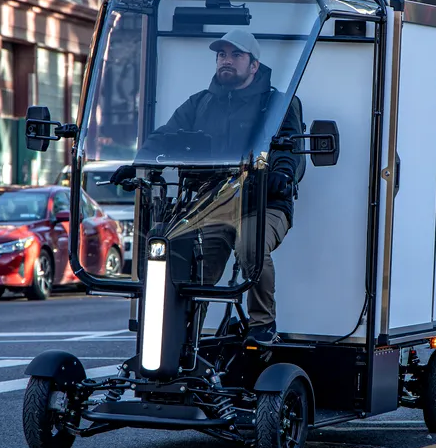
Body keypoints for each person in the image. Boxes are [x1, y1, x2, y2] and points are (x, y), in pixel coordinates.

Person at [110, 30, 304, 345]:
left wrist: (284, 173)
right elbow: (165, 135)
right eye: (221, 55)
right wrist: (138, 164)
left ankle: (262, 326)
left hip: (264, 203)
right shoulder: (201, 103)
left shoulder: (277, 103)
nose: (226, 61)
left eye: (235, 55)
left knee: (249, 247)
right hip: (214, 203)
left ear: (254, 65)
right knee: (185, 260)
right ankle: (182, 342)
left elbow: (289, 150)